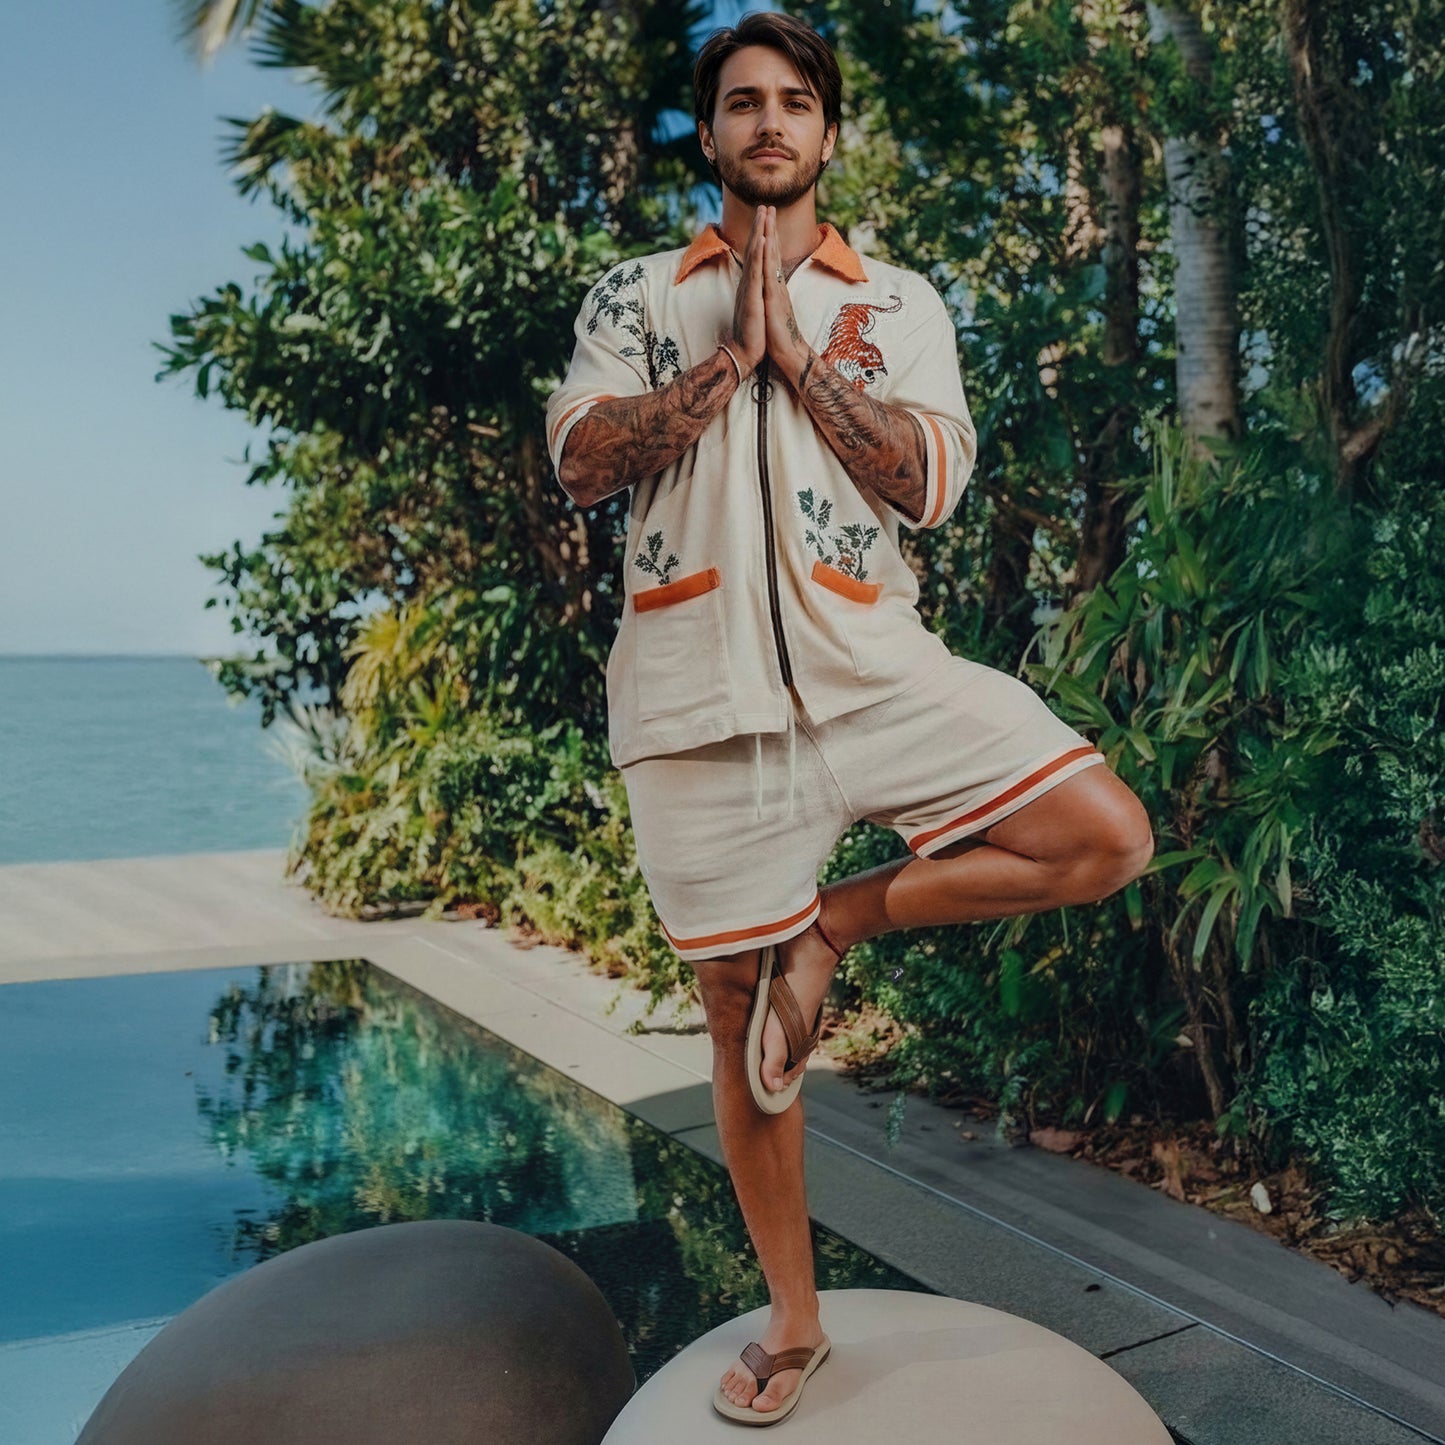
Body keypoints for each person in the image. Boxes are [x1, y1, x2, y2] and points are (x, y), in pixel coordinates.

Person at [545, 11, 1154, 1426]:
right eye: (742, 101)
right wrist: (718, 367)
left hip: (876, 666)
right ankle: (797, 1321)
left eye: (794, 102)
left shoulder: (898, 303)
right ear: (711, 134)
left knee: (1099, 834)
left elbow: (929, 482)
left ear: (828, 132)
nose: (768, 121)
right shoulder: (635, 295)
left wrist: (799, 362)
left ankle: (839, 925)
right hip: (697, 702)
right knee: (734, 1011)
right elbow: (581, 460)